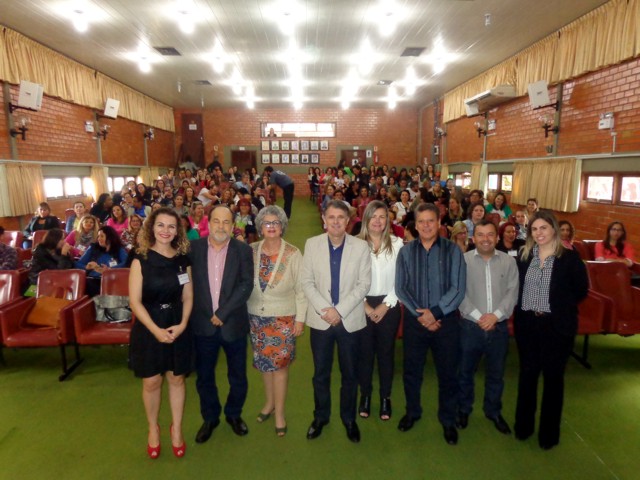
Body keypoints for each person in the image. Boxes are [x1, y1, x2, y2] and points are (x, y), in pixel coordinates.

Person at [513, 211, 588, 450]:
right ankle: (523, 427)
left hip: (557, 327)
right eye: (534, 229)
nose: (539, 233)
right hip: (528, 326)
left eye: (543, 228)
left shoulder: (569, 258)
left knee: (553, 381)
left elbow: (581, 291)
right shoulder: (525, 256)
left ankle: (549, 434)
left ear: (554, 229)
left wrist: (558, 307)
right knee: (527, 377)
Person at [301, 200, 371, 443]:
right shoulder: (312, 245)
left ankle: (348, 418)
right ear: (324, 220)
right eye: (331, 217)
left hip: (349, 320)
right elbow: (306, 282)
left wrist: (338, 311)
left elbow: (364, 285)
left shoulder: (361, 247)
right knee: (320, 373)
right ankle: (320, 417)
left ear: (348, 221)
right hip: (321, 321)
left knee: (349, 373)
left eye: (341, 217)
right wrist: (326, 310)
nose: (336, 222)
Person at [395, 202, 466, 445]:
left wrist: (434, 313)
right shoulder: (405, 252)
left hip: (446, 324)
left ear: (439, 224)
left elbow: (458, 289)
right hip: (416, 323)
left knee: (448, 374)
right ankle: (412, 412)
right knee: (412, 373)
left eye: (431, 221)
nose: (426, 225)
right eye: (421, 221)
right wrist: (422, 316)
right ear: (415, 225)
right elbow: (400, 288)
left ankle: (448, 419)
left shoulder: (453, 251)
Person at [129, 207, 193, 460]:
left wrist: (184, 323)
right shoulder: (140, 258)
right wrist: (155, 330)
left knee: (177, 378)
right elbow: (135, 301)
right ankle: (153, 427)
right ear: (151, 228)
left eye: (171, 226)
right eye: (161, 225)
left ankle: (176, 428)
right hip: (149, 325)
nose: (166, 231)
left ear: (178, 231)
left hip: (177, 323)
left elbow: (188, 296)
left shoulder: (182, 259)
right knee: (152, 381)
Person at [190, 206, 254, 443]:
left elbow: (247, 284)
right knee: (204, 376)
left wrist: (223, 312)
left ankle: (233, 414)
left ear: (233, 224)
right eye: (216, 221)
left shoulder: (243, 250)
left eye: (226, 222)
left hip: (233, 325)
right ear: (209, 222)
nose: (220, 226)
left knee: (237, 376)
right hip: (202, 325)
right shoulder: (194, 249)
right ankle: (210, 417)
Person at [247, 205, 307, 437]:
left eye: (276, 223)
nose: (271, 227)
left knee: (280, 368)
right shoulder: (251, 250)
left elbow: (301, 291)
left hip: (283, 318)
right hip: (256, 317)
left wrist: (300, 320)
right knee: (264, 365)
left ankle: (279, 412)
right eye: (266, 223)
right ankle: (269, 403)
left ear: (282, 226)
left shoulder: (293, 253)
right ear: (260, 226)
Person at [456, 220, 519, 435]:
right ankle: (464, 409)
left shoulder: (508, 262)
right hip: (469, 327)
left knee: (496, 374)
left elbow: (512, 292)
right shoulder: (462, 261)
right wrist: (480, 317)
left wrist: (496, 316)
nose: (485, 239)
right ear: (473, 238)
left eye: (490, 235)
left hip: (498, 328)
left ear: (497, 237)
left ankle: (493, 411)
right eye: (480, 235)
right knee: (465, 373)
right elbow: (459, 294)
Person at [356, 201, 403, 421]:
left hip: (389, 304)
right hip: (360, 304)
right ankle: (365, 395)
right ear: (366, 219)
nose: (377, 220)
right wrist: (364, 305)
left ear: (388, 220)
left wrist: (386, 304)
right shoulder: (354, 244)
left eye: (382, 216)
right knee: (364, 354)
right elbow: (350, 280)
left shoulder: (398, 244)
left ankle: (385, 397)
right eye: (373, 216)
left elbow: (402, 280)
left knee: (385, 353)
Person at [75, 225, 128, 296]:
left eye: (102, 236)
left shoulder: (119, 249)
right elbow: (78, 264)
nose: (99, 239)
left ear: (110, 237)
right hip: (94, 279)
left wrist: (109, 270)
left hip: (112, 279)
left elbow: (126, 263)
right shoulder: (93, 248)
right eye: (98, 236)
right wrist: (86, 267)